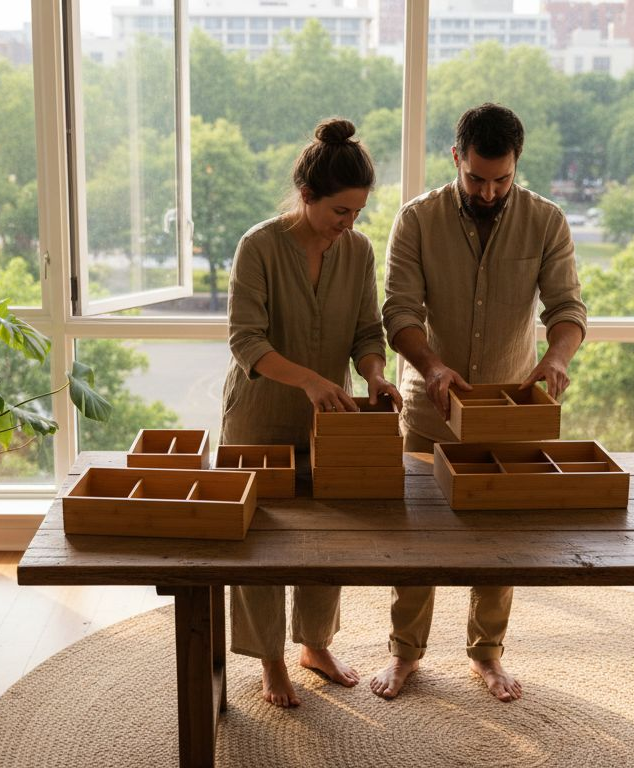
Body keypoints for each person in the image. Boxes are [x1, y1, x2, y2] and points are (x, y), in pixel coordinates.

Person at [371, 103, 588, 702]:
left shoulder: (547, 221)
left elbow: (567, 310)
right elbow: (399, 314)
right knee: (416, 538)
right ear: (456, 158)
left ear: (517, 165)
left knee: (501, 539)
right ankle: (404, 653)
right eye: (476, 179)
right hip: (427, 407)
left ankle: (487, 656)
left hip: (510, 406)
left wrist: (558, 358)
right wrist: (434, 366)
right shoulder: (416, 220)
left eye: (502, 179)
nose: (489, 192)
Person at [221, 117, 402, 707]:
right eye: (340, 212)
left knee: (329, 534)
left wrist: (375, 375)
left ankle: (314, 644)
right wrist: (311, 380)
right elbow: (246, 341)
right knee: (263, 539)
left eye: (357, 212)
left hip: (334, 416)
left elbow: (367, 332)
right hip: (259, 416)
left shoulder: (358, 250)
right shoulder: (259, 246)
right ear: (306, 197)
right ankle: (271, 659)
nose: (349, 224)